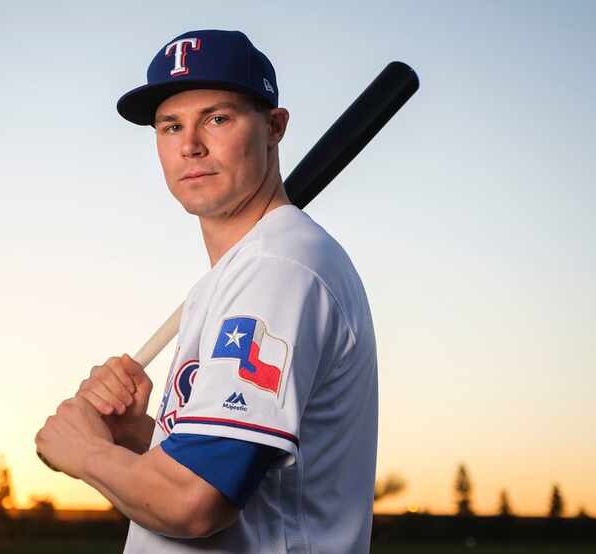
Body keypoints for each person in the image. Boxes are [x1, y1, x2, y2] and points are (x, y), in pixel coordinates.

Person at [35, 29, 379, 553]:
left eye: (217, 118)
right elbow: (241, 481)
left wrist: (85, 453)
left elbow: (194, 504)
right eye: (171, 126)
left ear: (274, 127)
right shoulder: (237, 275)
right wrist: (138, 437)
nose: (191, 145)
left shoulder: (277, 271)